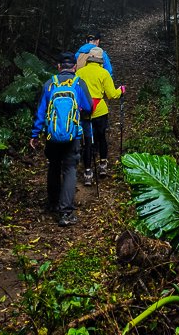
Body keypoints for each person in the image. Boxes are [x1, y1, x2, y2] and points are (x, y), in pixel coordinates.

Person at [29, 51, 92, 226]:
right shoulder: (79, 84)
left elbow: (40, 112)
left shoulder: (50, 84)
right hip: (72, 136)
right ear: (74, 67)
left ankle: (53, 203)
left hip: (52, 136)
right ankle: (66, 213)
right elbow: (88, 107)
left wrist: (34, 134)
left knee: (54, 166)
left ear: (58, 67)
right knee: (70, 169)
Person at [77, 46, 125, 183]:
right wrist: (121, 90)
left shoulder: (79, 73)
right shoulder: (104, 73)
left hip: (84, 112)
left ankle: (87, 172)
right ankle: (103, 164)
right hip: (100, 111)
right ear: (100, 60)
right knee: (101, 137)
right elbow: (111, 95)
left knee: (87, 141)